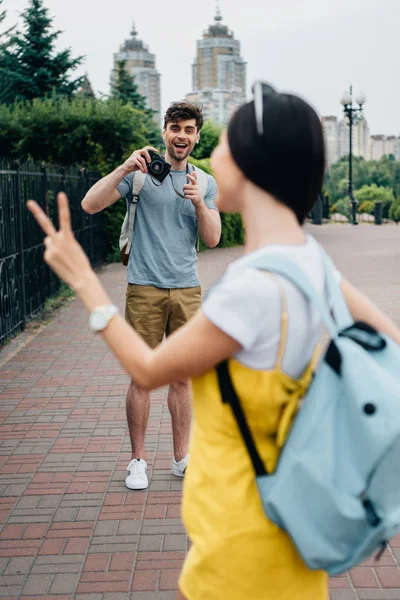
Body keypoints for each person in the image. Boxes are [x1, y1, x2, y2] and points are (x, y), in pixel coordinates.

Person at [27, 82, 400, 600]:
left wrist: (85, 283)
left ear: (251, 168)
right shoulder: (313, 264)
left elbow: (148, 369)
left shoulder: (248, 288)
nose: (205, 148)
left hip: (238, 549)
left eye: (225, 143)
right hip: (292, 546)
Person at [80, 100, 221, 490]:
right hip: (144, 288)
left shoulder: (204, 181)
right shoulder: (139, 175)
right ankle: (137, 461)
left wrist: (197, 202)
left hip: (188, 290)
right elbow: (90, 204)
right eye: (175, 127)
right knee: (142, 376)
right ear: (164, 132)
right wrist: (125, 167)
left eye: (189, 129)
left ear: (196, 136)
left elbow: (213, 238)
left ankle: (181, 460)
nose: (182, 135)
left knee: (182, 380)